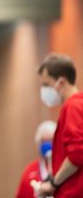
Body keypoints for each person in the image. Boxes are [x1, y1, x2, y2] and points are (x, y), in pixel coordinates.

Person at [35, 53, 83, 197]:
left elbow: (77, 155)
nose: (43, 90)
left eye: (46, 85)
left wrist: (53, 183)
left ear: (61, 82)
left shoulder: (73, 106)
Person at [15, 120, 57, 198]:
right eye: (43, 141)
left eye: (50, 140)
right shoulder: (29, 171)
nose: (47, 144)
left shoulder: (64, 167)